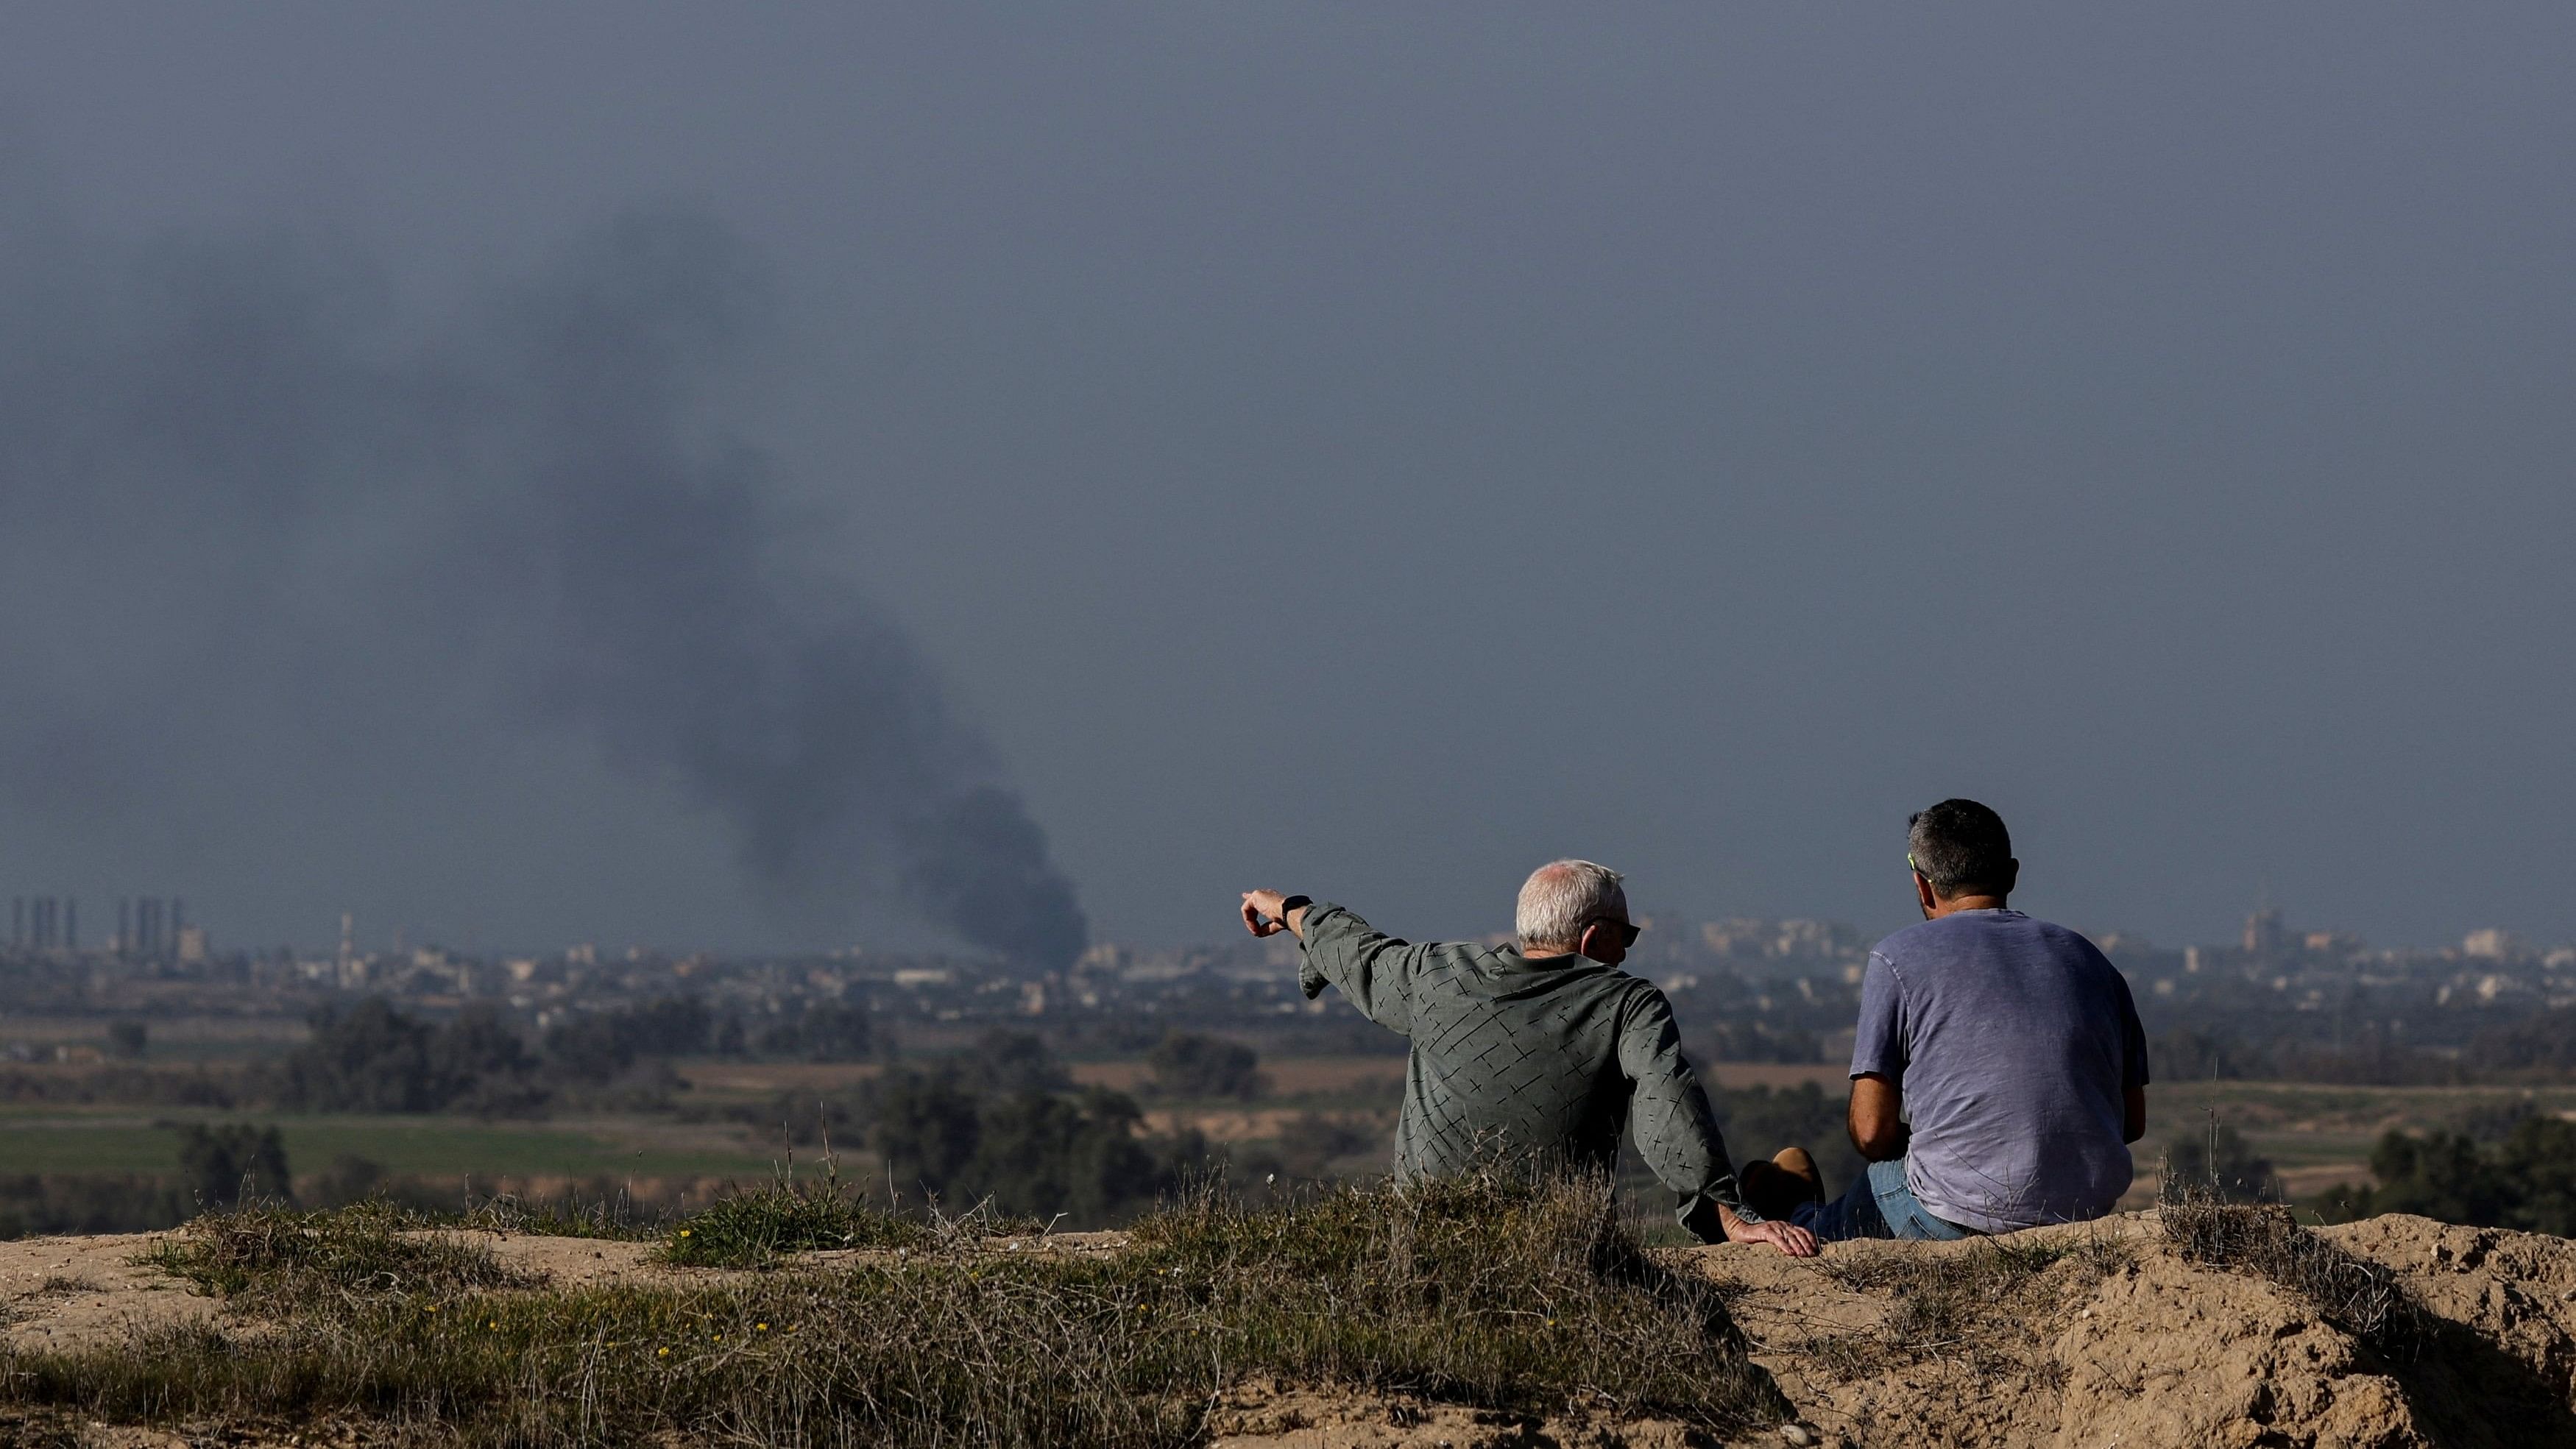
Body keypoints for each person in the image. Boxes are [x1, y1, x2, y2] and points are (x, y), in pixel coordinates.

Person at [1239, 861, 1816, 1256]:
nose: (1630, 948)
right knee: (1797, 1198)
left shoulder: (1438, 977)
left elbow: (1357, 953)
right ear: (1593, 939)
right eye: (1627, 934)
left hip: (1417, 1249)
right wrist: (1728, 1214)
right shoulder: (1625, 1002)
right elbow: (1670, 1104)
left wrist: (1290, 908)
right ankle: (1786, 1197)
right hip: (1561, 1255)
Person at [1758, 799, 2148, 1240]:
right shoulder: (2094, 963)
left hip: (1950, 1214)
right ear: (2013, 874)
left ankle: (1793, 1214)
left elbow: (1871, 1134)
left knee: (1827, 1225)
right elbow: (2131, 1124)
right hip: (2083, 1215)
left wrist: (1950, 1145)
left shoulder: (1898, 957)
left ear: (1923, 887)